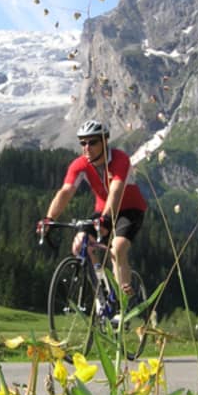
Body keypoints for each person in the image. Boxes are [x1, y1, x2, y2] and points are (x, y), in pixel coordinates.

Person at [39, 120, 147, 297]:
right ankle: (102, 296)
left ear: (105, 141)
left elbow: (116, 190)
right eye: (83, 143)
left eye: (92, 142)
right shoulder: (80, 165)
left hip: (130, 209)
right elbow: (65, 192)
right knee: (80, 245)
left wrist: (105, 219)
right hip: (102, 210)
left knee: (117, 248)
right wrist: (49, 218)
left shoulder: (120, 159)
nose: (86, 147)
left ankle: (122, 301)